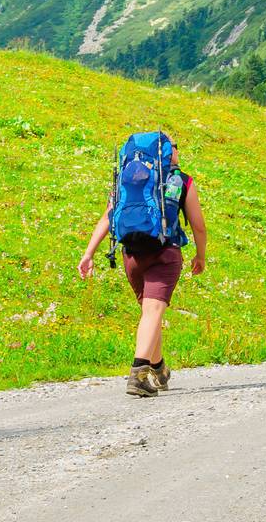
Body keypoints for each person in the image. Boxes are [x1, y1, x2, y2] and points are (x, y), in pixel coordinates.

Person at [80, 133, 207, 397]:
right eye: (175, 146)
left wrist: (88, 253)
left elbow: (108, 216)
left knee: (150, 313)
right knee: (152, 313)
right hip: (165, 253)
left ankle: (158, 368)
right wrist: (200, 255)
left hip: (131, 255)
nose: (177, 151)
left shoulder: (130, 178)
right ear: (167, 152)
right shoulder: (181, 180)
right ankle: (138, 374)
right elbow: (198, 225)